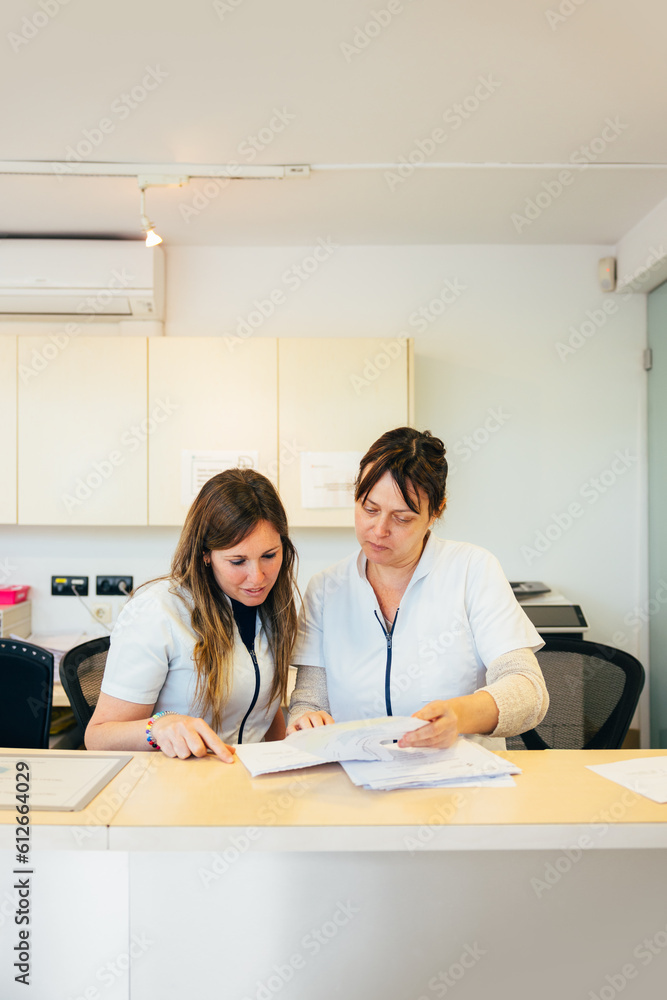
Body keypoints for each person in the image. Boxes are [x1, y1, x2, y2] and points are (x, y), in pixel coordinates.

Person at [287, 427, 548, 750]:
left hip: (457, 786)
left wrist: (460, 715)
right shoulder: (326, 589)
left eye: (402, 518)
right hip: (358, 780)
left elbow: (529, 691)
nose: (379, 530)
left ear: (435, 512)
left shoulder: (472, 570)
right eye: (369, 509)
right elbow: (309, 701)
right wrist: (305, 719)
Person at [86, 469, 297, 762]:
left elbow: (264, 708)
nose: (257, 577)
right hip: (176, 789)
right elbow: (98, 736)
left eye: (270, 556)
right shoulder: (158, 611)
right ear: (205, 554)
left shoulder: (274, 606)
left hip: (247, 784)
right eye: (238, 561)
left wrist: (290, 757)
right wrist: (158, 727)